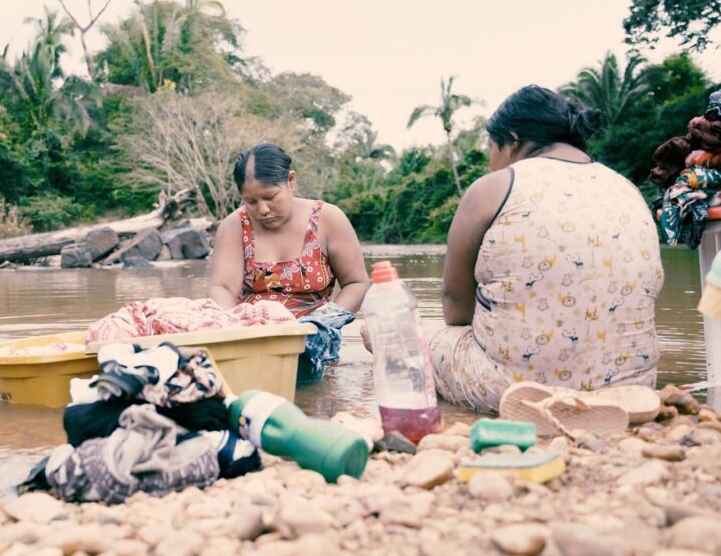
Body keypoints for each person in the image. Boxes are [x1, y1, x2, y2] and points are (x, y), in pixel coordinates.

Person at [366, 85, 663, 413]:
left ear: (512, 140)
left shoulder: (493, 188)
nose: (491, 160)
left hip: (513, 390)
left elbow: (455, 307)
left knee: (392, 332)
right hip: (632, 388)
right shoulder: (626, 188)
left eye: (491, 147)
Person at [208, 143, 369, 383]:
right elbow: (222, 288)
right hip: (253, 341)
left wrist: (321, 324)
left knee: (313, 393)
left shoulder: (327, 219)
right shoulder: (234, 226)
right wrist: (232, 327)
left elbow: (356, 283)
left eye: (270, 197)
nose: (263, 209)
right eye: (251, 201)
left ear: (291, 181)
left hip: (314, 342)